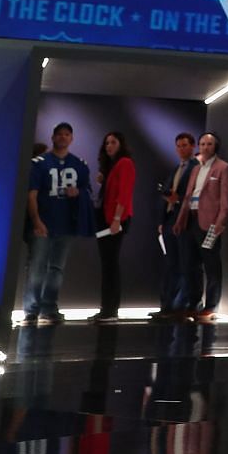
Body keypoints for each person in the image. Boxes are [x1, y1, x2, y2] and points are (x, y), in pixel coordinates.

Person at [24, 123, 92, 325]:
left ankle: (49, 307)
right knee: (37, 266)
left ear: (72, 138)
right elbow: (31, 195)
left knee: (56, 268)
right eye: (59, 134)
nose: (63, 138)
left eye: (67, 134)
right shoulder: (40, 163)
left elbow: (87, 192)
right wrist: (36, 220)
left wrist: (78, 193)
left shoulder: (79, 164)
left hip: (66, 224)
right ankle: (31, 309)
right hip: (44, 222)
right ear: (53, 138)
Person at [172, 133, 228, 324]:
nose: (205, 147)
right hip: (191, 218)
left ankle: (211, 306)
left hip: (209, 222)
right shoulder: (196, 169)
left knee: (212, 265)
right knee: (190, 265)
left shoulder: (224, 168)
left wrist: (219, 224)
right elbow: (189, 196)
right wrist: (180, 219)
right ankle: (194, 303)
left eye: (209, 144)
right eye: (202, 144)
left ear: (216, 146)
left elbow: (226, 201)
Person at [153, 134, 198, 322]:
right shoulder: (176, 168)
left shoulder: (196, 167)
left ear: (192, 146)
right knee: (171, 264)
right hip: (171, 218)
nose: (181, 149)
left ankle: (181, 305)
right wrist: (163, 221)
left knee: (184, 264)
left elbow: (193, 196)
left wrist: (177, 200)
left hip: (185, 219)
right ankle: (167, 305)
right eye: (178, 145)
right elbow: (168, 192)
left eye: (184, 145)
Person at [91, 132, 135, 322]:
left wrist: (117, 219)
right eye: (107, 142)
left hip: (114, 220)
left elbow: (124, 193)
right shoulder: (112, 166)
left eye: (113, 142)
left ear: (121, 144)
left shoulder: (125, 163)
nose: (109, 145)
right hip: (105, 219)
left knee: (110, 264)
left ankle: (110, 309)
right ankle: (106, 308)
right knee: (107, 264)